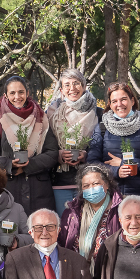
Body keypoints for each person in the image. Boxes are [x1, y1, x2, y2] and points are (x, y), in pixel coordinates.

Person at [0, 75, 60, 215]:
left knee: (40, 230)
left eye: (21, 92)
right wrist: (9, 164)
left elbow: (52, 153)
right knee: (10, 231)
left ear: (27, 93)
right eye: (12, 93)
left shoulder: (41, 119)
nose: (17, 96)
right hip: (9, 187)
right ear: (6, 96)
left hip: (39, 189)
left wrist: (27, 166)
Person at [87, 82, 140, 200]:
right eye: (114, 101)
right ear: (110, 105)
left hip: (137, 197)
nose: (119, 104)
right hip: (107, 196)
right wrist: (115, 171)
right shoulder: (102, 128)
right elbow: (92, 162)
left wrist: (124, 163)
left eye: (123, 99)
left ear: (132, 101)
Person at [44, 69, 103, 214]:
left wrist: (86, 155)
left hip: (89, 181)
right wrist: (57, 155)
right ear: (61, 90)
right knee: (65, 226)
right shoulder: (51, 113)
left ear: (83, 86)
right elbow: (45, 142)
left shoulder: (98, 113)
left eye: (76, 83)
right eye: (67, 85)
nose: (72, 88)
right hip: (59, 180)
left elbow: (102, 144)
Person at [59, 164, 122, 261]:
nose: (91, 188)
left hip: (109, 270)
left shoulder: (120, 210)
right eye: (86, 186)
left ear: (107, 185)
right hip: (78, 269)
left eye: (96, 183)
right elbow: (62, 243)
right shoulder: (71, 213)